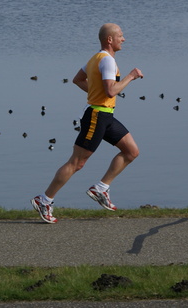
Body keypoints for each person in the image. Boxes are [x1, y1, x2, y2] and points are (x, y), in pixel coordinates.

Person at [31, 23, 144, 223]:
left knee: (131, 151)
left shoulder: (96, 58)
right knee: (77, 162)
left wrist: (95, 93)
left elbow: (78, 79)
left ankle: (101, 188)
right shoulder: (107, 61)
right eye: (120, 35)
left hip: (106, 116)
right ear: (109, 39)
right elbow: (111, 91)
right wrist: (131, 76)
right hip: (96, 117)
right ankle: (44, 200)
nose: (123, 39)